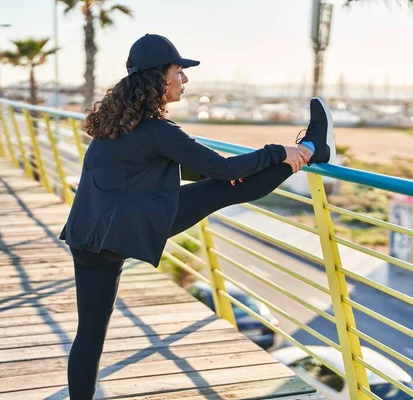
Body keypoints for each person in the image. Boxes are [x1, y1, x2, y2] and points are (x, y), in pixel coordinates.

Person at [59, 33, 335, 399]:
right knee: (224, 187)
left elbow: (182, 168)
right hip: (128, 225)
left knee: (90, 334)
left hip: (87, 238)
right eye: (179, 72)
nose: (185, 80)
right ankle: (312, 149)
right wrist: (275, 152)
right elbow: (218, 169)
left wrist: (236, 168)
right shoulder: (157, 130)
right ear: (159, 77)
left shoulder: (113, 124)